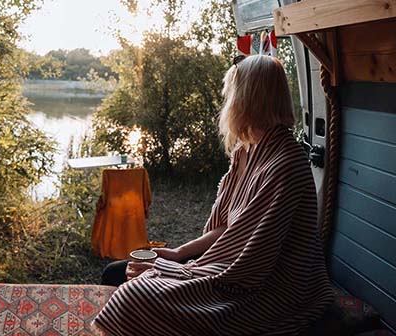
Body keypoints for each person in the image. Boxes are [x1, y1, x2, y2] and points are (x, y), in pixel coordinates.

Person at [93, 54, 334, 335]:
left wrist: (177, 271)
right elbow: (226, 227)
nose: (227, 101)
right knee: (116, 273)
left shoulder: (285, 163)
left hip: (269, 289)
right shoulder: (246, 151)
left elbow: (251, 264)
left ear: (247, 98)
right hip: (227, 266)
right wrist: (178, 253)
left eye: (232, 92)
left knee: (134, 295)